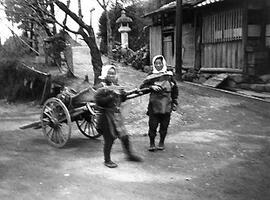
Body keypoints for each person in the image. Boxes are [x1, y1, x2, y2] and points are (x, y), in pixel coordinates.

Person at [94, 64, 142, 168]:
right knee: (109, 139)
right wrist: (111, 95)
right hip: (105, 117)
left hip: (116, 116)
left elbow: (122, 98)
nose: (111, 75)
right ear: (105, 74)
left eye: (113, 73)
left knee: (124, 136)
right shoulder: (101, 86)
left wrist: (124, 94)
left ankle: (129, 155)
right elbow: (98, 101)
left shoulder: (116, 85)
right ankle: (107, 160)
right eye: (109, 73)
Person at [140, 55, 178, 151]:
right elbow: (142, 88)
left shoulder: (169, 75)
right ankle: (152, 143)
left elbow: (175, 90)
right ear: (153, 64)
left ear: (163, 64)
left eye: (160, 63)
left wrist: (175, 102)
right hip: (154, 104)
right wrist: (151, 87)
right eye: (156, 63)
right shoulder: (151, 76)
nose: (158, 65)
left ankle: (161, 142)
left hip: (167, 104)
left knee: (164, 125)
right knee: (153, 125)